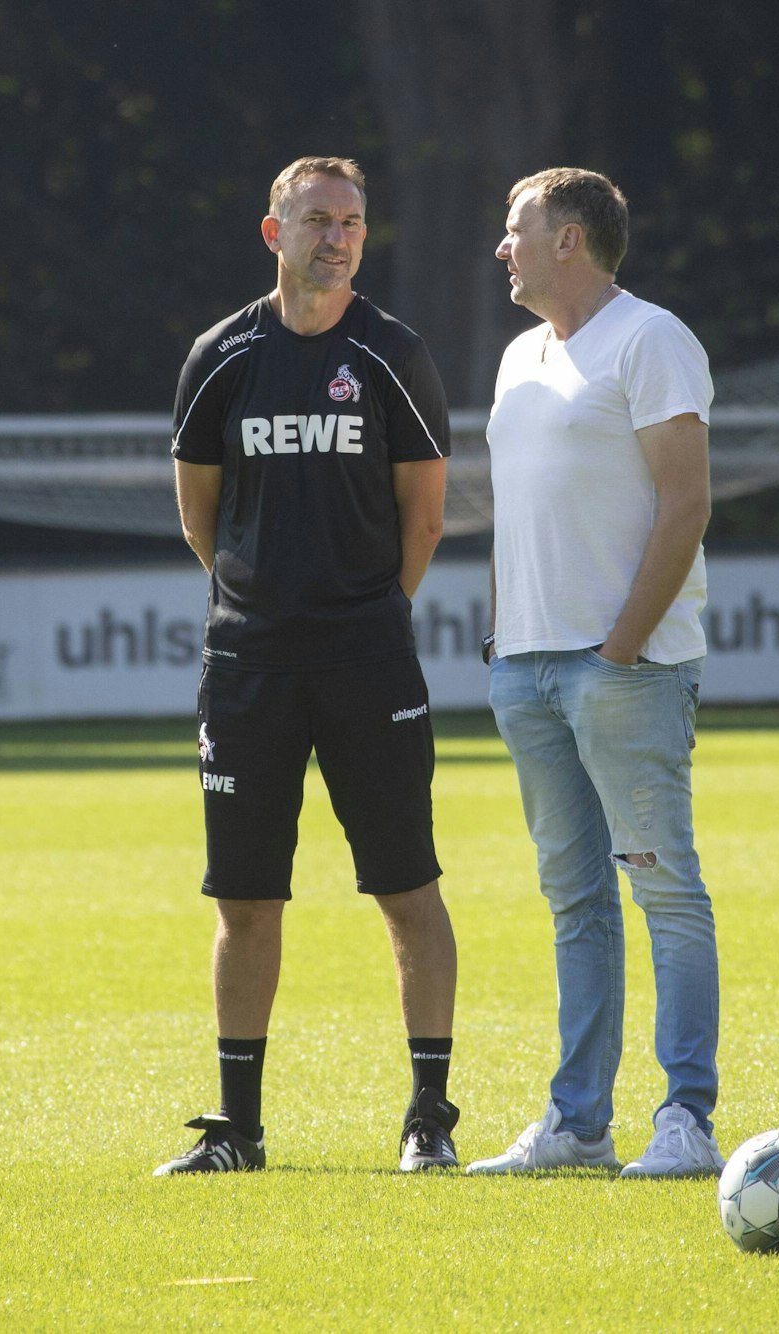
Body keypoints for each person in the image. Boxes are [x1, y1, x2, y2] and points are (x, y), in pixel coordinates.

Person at [158, 156, 461, 1176]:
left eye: (354, 222)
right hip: (247, 662)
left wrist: (361, 610)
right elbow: (199, 513)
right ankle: (236, 1130)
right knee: (245, 898)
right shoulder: (220, 356)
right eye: (319, 219)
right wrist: (262, 600)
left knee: (406, 885)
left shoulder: (392, 355)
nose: (338, 237)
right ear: (273, 230)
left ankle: (429, 1116)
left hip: (367, 658)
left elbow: (425, 514)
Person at [466, 167, 722, 1178]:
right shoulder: (519, 354)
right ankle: (577, 1124)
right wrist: (505, 642)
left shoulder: (653, 338)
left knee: (665, 891)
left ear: (568, 239)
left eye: (514, 228)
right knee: (574, 901)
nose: (503, 246)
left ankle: (687, 1119)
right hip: (523, 667)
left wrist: (619, 646)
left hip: (625, 667)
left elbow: (687, 503)